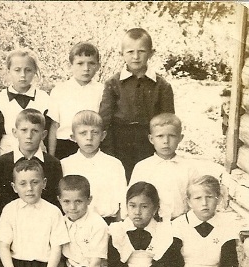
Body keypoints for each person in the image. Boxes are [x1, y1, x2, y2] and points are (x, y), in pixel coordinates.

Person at [99, 28, 175, 179]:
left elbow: (168, 122)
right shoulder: (113, 83)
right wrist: (108, 152)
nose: (135, 57)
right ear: (121, 54)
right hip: (119, 144)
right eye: (130, 52)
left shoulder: (162, 86)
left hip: (149, 145)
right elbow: (104, 121)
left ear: (151, 53)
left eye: (141, 51)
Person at [0, 48, 58, 158]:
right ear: (8, 71)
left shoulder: (44, 99)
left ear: (35, 71)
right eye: (17, 70)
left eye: (28, 70)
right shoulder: (0, 100)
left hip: (37, 156)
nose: (23, 75)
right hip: (8, 157)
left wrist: (50, 158)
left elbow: (49, 135)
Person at [129, 113, 200, 222]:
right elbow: (132, 198)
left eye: (172, 136)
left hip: (182, 223)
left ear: (180, 138)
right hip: (152, 223)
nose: (166, 141)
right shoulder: (142, 167)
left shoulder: (189, 168)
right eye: (160, 136)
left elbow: (197, 197)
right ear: (151, 139)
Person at [61, 110, 126, 224]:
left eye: (95, 132)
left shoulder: (114, 164)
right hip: (73, 223)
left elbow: (123, 202)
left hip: (107, 223)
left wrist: (116, 227)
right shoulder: (65, 164)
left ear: (103, 136)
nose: (89, 138)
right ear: (73, 137)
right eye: (83, 133)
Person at [0, 109, 62, 210]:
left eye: (35, 131)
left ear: (43, 135)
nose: (29, 136)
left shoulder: (53, 163)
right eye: (24, 130)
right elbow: (0, 201)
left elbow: (55, 199)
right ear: (15, 132)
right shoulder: (2, 163)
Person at [50, 42, 104, 160]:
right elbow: (54, 126)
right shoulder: (59, 90)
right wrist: (51, 157)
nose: (86, 68)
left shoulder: (102, 90)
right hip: (64, 145)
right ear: (70, 65)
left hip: (91, 145)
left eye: (91, 63)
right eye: (80, 63)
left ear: (98, 66)